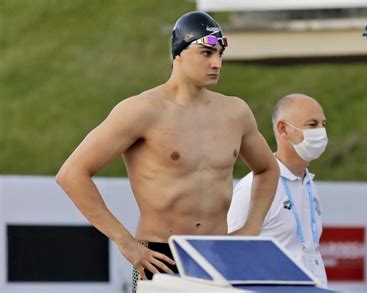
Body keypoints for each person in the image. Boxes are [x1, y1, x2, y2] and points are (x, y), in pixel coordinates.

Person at [56, 11, 279, 292]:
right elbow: (71, 174)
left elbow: (268, 168)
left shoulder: (236, 112)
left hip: (218, 255)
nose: (217, 63)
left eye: (220, 54)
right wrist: (126, 242)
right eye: (207, 53)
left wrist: (252, 228)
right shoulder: (142, 110)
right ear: (179, 53)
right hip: (160, 257)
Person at [228, 93, 329, 288]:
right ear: (283, 129)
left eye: (323, 124)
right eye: (312, 124)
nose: (321, 131)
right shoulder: (253, 186)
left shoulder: (308, 184)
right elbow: (231, 252)